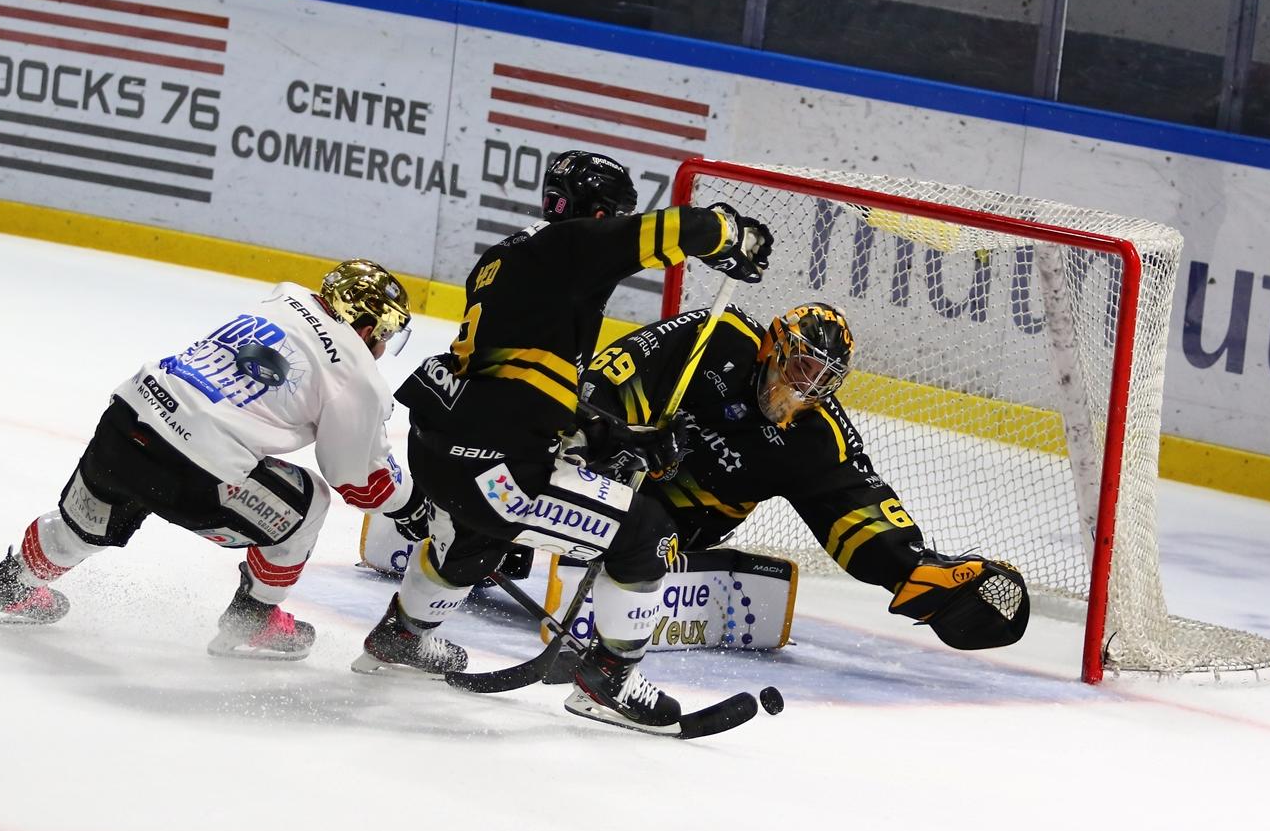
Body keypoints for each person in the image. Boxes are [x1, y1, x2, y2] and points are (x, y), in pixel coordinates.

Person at [353, 149, 774, 735]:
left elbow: (524, 383)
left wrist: (616, 436)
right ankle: (610, 680)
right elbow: (679, 231)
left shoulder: (506, 258)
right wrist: (734, 233)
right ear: (600, 213)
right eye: (618, 214)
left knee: (471, 541)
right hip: (496, 471)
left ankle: (402, 637)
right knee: (645, 533)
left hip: (442, 446)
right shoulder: (573, 246)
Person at [0, 260, 431, 661]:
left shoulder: (282, 300)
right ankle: (253, 620)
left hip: (130, 418)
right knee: (310, 504)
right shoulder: (359, 376)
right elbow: (359, 480)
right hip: (197, 469)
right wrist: (411, 507)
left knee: (85, 524)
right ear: (368, 328)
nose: (383, 348)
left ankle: (11, 588)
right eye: (385, 335)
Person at [573, 299, 1031, 651]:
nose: (804, 387)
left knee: (648, 536)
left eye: (821, 379)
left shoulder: (817, 438)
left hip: (676, 525)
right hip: (612, 472)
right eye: (800, 367)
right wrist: (619, 438)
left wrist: (910, 567)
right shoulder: (719, 335)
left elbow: (854, 506)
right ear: (774, 347)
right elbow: (611, 377)